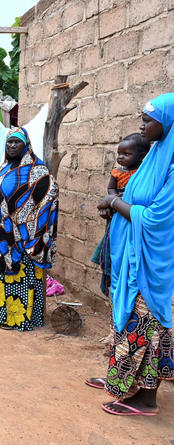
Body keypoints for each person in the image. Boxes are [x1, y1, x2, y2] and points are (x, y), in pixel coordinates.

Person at [88, 93, 174, 416]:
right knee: (126, 322)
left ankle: (146, 399)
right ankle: (122, 381)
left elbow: (154, 219)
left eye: (148, 120)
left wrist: (113, 203)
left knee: (145, 324)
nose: (142, 125)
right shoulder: (155, 158)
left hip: (151, 262)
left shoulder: (172, 166)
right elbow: (133, 196)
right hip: (131, 255)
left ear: (165, 123)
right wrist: (117, 205)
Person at [0, 127, 59, 331]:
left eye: (16, 142)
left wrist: (21, 221)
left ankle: (15, 318)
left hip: (21, 238)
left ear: (26, 145)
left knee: (17, 274)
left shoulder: (38, 171)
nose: (11, 145)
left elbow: (47, 197)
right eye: (9, 142)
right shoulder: (5, 167)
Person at [91, 134, 150, 297]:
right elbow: (111, 189)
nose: (120, 157)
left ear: (141, 156)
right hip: (118, 210)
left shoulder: (143, 174)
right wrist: (114, 199)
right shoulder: (117, 172)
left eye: (126, 154)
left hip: (131, 214)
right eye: (119, 154)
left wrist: (117, 200)